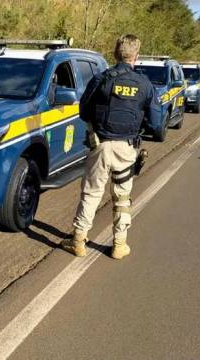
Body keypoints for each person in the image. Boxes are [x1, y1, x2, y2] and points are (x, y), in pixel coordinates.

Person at [61, 34, 162, 259]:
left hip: (101, 146)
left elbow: (83, 111)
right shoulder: (145, 85)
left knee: (91, 194)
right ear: (137, 55)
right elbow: (156, 122)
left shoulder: (102, 79)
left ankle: (78, 241)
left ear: (116, 53)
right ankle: (119, 244)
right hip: (127, 149)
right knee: (122, 197)